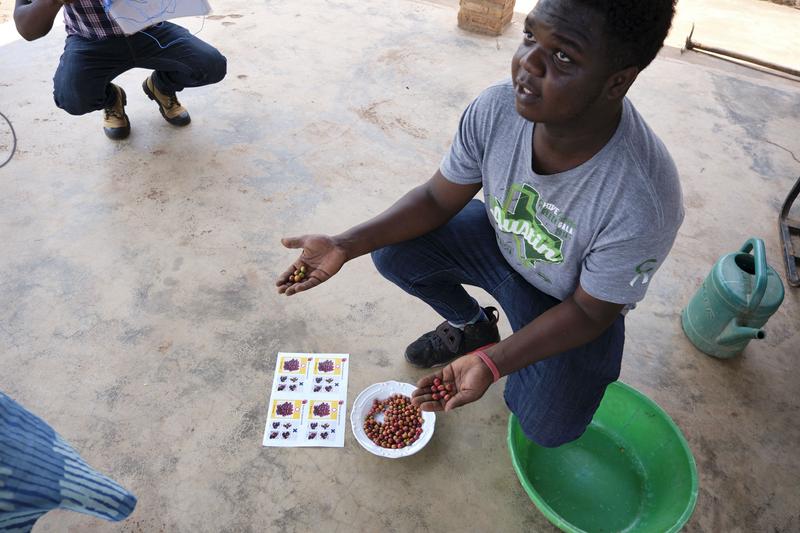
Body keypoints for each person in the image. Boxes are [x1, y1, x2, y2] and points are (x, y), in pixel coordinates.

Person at [276, 0, 683, 448]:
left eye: (563, 56)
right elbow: (435, 199)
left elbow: (590, 312)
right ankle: (474, 327)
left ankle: (499, 355)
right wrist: (345, 243)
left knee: (547, 428)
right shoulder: (497, 109)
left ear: (618, 81)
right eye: (530, 37)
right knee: (393, 250)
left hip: (569, 302)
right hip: (501, 242)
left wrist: (493, 365)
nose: (527, 63)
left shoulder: (642, 199)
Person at [12, 0, 226, 140]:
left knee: (211, 65)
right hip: (91, 40)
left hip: (151, 31)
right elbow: (27, 29)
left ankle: (161, 87)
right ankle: (110, 98)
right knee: (73, 97)